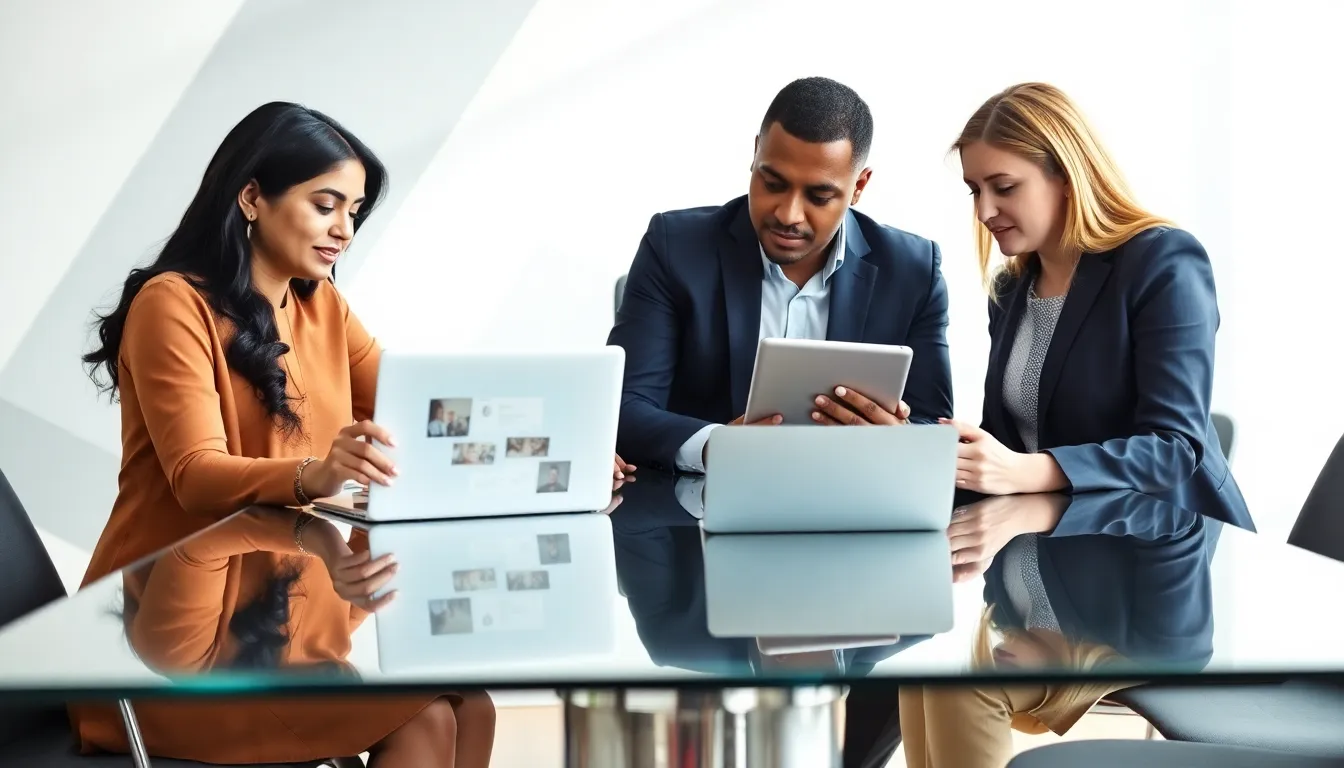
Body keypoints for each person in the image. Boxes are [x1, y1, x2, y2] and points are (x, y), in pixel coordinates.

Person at [73, 101, 629, 765]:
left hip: (284, 614)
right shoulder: (173, 303)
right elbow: (195, 477)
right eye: (325, 205)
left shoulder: (321, 304)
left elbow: (421, 413)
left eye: (354, 211)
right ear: (252, 198)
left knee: (470, 704)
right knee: (426, 716)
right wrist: (316, 474)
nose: (344, 229)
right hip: (166, 645)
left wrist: (562, 448)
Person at [944, 82, 1253, 531]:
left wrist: (1029, 470)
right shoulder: (1011, 290)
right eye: (975, 190)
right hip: (1059, 542)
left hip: (1162, 546)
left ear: (1068, 179)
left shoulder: (1163, 263)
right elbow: (1009, 443)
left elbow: (1174, 447)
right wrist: (927, 447)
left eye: (1004, 187)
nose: (984, 211)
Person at [608, 77, 954, 472]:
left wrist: (900, 437)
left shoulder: (913, 271)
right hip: (700, 502)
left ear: (858, 186)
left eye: (819, 197)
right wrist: (716, 445)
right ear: (755, 153)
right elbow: (624, 407)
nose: (788, 215)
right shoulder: (676, 247)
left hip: (853, 498)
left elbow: (935, 428)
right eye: (772, 183)